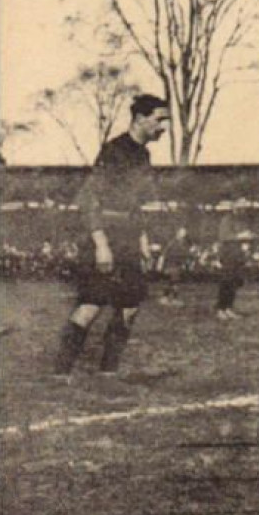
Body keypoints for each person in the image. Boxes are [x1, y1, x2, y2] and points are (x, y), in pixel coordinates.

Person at [54, 94, 171, 376]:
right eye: (159, 119)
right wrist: (101, 244)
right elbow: (89, 198)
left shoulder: (143, 155)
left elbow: (137, 204)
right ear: (140, 119)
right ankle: (61, 372)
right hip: (104, 236)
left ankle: (108, 372)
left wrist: (142, 241)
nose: (163, 127)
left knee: (130, 307)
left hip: (129, 236)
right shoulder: (113, 151)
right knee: (91, 305)